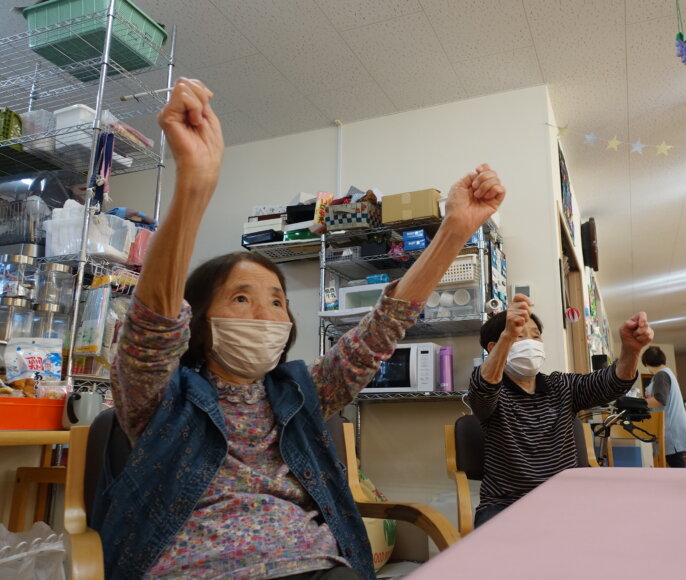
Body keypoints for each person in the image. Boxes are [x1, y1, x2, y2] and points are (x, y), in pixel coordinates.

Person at [90, 78, 507, 580]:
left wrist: (455, 231)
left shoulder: (301, 394)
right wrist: (194, 184)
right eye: (241, 299)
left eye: (278, 302)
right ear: (197, 320)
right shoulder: (160, 397)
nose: (267, 315)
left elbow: (383, 327)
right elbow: (150, 327)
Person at [467, 294, 653, 527]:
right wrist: (507, 337)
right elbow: (482, 390)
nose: (531, 343)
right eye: (519, 336)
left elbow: (612, 383)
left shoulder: (561, 386)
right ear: (495, 347)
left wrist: (631, 350)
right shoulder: (494, 393)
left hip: (565, 499)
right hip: (505, 503)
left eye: (536, 336)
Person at [641, 346, 686, 468]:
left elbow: (660, 400)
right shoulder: (666, 373)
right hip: (671, 426)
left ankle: (685, 486)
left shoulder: (661, 375)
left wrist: (639, 402)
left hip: (670, 429)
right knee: (675, 462)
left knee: (676, 464)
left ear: (647, 363)